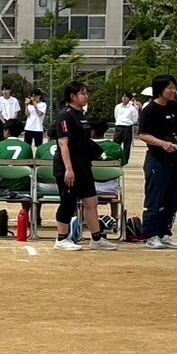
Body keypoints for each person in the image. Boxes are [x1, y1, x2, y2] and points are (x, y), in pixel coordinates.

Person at [50, 82, 115, 252]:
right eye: (83, 93)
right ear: (72, 96)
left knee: (91, 201)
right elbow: (63, 144)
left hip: (83, 165)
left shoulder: (82, 116)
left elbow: (84, 141)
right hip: (68, 166)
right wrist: (68, 169)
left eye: (86, 93)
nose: (86, 96)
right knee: (68, 202)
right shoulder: (65, 116)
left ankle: (96, 238)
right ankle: (61, 238)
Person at [137, 74, 177, 249]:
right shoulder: (149, 110)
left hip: (175, 158)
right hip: (157, 158)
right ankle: (151, 234)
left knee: (172, 199)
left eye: (174, 87)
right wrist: (162, 144)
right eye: (169, 88)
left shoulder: (173, 105)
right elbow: (142, 134)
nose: (173, 91)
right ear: (159, 89)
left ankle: (165, 233)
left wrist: (176, 94)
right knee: (155, 198)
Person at [113, 92, 139, 164]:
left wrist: (128, 122)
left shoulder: (132, 108)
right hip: (119, 126)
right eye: (123, 96)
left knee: (127, 144)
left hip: (127, 127)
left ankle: (125, 160)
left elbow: (135, 119)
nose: (124, 98)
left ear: (129, 99)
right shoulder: (117, 106)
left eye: (126, 97)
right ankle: (114, 157)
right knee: (116, 143)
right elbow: (116, 116)